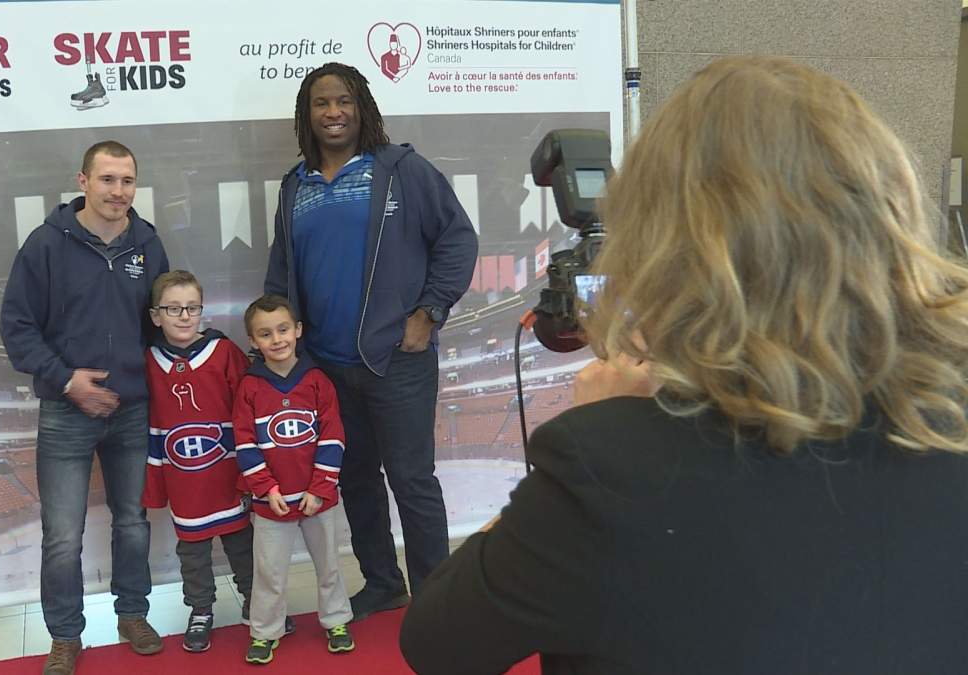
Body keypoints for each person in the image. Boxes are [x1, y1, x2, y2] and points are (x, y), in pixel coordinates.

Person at [399, 56, 968, 675]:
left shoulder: (606, 464)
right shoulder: (947, 415)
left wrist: (602, 435)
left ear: (664, 240)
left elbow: (438, 643)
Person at [265, 62, 477, 622]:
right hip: (328, 368)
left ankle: (435, 594)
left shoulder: (400, 169)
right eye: (321, 104)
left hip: (396, 361)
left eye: (344, 102)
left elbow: (457, 239)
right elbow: (280, 273)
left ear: (362, 108)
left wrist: (428, 313)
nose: (333, 113)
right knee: (356, 478)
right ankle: (384, 583)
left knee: (412, 480)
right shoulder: (295, 186)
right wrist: (283, 352)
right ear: (305, 116)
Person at [0, 140, 170, 675]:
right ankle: (66, 636)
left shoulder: (148, 243)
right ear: (83, 181)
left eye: (127, 181)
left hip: (131, 410)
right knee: (62, 535)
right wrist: (67, 380)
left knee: (133, 522)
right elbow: (17, 329)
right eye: (107, 180)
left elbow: (160, 320)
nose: (118, 191)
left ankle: (134, 614)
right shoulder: (46, 245)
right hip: (66, 411)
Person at [140, 270, 295, 652]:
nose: (183, 315)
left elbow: (248, 407)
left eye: (192, 307)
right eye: (173, 308)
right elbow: (152, 427)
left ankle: (256, 604)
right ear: (155, 315)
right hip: (184, 477)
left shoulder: (223, 352)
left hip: (228, 470)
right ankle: (200, 610)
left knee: (242, 544)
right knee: (192, 552)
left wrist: (254, 469)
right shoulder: (146, 361)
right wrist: (155, 482)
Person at [234, 295, 354, 664]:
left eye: (283, 329)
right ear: (253, 341)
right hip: (273, 502)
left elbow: (333, 437)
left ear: (298, 330)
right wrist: (267, 489)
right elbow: (245, 443)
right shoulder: (249, 387)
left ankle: (336, 620)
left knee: (329, 566)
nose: (277, 339)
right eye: (265, 334)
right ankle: (265, 631)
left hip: (318, 499)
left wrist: (320, 488)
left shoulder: (317, 381)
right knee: (269, 573)